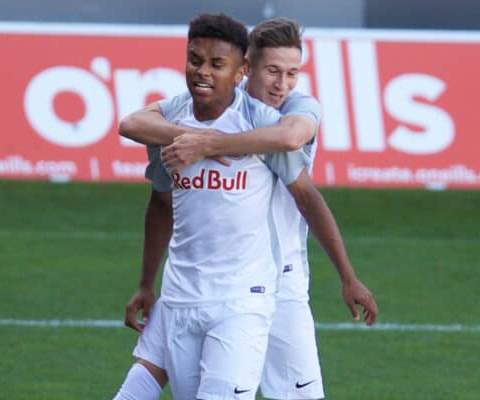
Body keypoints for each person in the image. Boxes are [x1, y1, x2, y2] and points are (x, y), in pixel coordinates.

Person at [113, 15, 378, 400]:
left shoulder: (285, 115)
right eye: (273, 71)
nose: (282, 84)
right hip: (188, 285)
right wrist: (145, 281)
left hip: (271, 283)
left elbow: (292, 143)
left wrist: (209, 144)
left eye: (292, 73)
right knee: (156, 379)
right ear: (247, 68)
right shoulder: (179, 113)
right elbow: (138, 138)